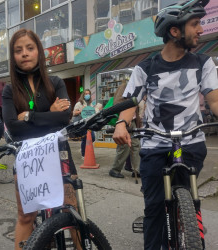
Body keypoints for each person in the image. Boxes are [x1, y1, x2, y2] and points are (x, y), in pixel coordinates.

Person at [112, 1, 218, 249]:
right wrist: (121, 124)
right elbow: (130, 101)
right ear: (174, 31)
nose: (201, 29)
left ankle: (190, 228)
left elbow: (214, 99)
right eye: (195, 24)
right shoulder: (145, 68)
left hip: (190, 144)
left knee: (191, 198)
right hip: (155, 145)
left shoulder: (203, 63)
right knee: (155, 208)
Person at [2, 28, 76, 250]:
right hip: (27, 158)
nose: (24, 53)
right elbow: (14, 129)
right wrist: (50, 113)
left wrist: (30, 116)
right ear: (13, 56)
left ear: (39, 52)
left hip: (59, 153)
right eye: (18, 50)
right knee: (26, 217)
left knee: (72, 212)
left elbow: (65, 117)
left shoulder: (55, 81)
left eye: (30, 48)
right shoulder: (9, 90)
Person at [109, 82, 140, 178]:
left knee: (136, 145)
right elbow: (117, 103)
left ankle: (137, 170)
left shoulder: (137, 88)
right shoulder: (124, 86)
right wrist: (124, 119)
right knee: (124, 146)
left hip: (132, 121)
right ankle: (115, 169)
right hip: (124, 121)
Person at [72, 89, 95, 159]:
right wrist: (81, 110)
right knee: (85, 138)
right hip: (81, 123)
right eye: (85, 94)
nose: (87, 95)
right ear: (83, 95)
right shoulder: (79, 104)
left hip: (89, 123)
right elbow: (74, 113)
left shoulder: (91, 104)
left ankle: (86, 150)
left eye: (88, 94)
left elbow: (92, 113)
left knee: (92, 138)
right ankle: (84, 154)